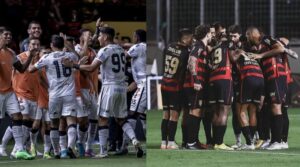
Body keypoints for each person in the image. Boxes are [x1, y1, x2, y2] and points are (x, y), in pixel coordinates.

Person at [62, 27, 144, 158]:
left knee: (102, 119)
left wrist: (74, 65)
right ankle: (134, 140)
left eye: (100, 36)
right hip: (121, 88)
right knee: (121, 119)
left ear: (105, 37)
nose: (98, 38)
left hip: (109, 87)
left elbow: (91, 68)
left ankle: (103, 151)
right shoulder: (120, 49)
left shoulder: (104, 50)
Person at [29, 35, 79, 158]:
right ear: (63, 45)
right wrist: (67, 45)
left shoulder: (46, 57)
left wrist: (32, 58)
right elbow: (77, 56)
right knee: (71, 121)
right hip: (69, 93)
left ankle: (57, 151)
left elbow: (30, 70)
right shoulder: (70, 56)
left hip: (54, 94)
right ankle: (70, 147)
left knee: (54, 124)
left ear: (52, 45)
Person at [246, 27, 287, 150]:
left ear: (254, 33)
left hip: (276, 76)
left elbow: (280, 48)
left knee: (276, 106)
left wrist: (260, 55)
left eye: (248, 34)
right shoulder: (259, 47)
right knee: (270, 108)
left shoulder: (266, 39)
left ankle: (278, 141)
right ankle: (274, 140)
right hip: (269, 79)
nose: (247, 37)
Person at [0, 27, 35, 160]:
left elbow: (21, 69)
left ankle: (19, 149)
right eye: (6, 34)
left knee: (18, 117)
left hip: (9, 91)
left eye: (10, 34)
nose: (9, 36)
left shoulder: (10, 52)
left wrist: (31, 55)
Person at [228, 25, 265, 150]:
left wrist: (236, 51)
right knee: (253, 110)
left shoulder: (239, 51)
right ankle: (252, 141)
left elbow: (232, 59)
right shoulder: (253, 53)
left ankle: (249, 143)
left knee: (241, 110)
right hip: (260, 78)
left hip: (248, 78)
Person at [160, 28, 193, 149]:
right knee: (174, 115)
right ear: (185, 38)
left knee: (165, 114)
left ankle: (163, 142)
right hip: (175, 86)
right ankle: (171, 142)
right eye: (190, 38)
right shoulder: (186, 52)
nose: (192, 40)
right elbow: (185, 70)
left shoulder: (169, 46)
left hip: (164, 84)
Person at [185, 25, 211, 149]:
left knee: (198, 112)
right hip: (195, 84)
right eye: (210, 33)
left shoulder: (202, 46)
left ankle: (193, 141)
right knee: (194, 111)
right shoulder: (199, 45)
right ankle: (190, 143)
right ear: (206, 34)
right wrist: (195, 79)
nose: (212, 35)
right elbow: (192, 60)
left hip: (199, 83)